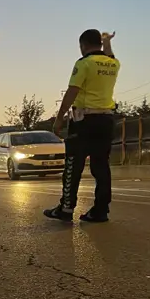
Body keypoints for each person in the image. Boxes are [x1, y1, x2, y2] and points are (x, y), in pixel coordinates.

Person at [44, 30, 119, 223]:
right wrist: (107, 41)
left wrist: (59, 118)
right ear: (100, 45)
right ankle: (101, 211)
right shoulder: (113, 64)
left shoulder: (83, 63)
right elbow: (109, 55)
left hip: (84, 121)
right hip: (106, 120)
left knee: (73, 165)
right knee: (101, 166)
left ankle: (66, 208)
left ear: (83, 45)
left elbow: (72, 91)